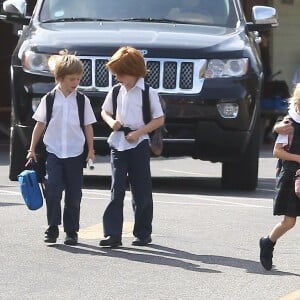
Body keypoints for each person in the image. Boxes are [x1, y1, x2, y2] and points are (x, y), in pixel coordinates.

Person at [26, 50, 96, 245]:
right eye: (72, 79)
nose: (76, 83)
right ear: (59, 78)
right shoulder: (49, 99)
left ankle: (71, 231)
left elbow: (88, 126)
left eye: (78, 79)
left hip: (75, 153)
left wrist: (91, 149)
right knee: (53, 189)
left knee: (74, 195)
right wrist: (31, 148)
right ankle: (52, 227)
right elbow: (39, 124)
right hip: (54, 152)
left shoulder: (82, 101)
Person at [99, 46, 164, 247]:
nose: (117, 77)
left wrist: (139, 133)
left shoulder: (148, 92)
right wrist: (111, 123)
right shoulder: (116, 91)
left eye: (121, 73)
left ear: (135, 71)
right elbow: (104, 111)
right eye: (115, 73)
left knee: (141, 189)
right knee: (116, 188)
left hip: (139, 144)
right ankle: (113, 234)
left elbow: (159, 118)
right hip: (118, 143)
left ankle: (143, 232)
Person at [259, 83, 300, 271]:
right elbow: (277, 152)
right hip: (292, 175)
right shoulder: (289, 123)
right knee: (289, 222)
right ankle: (268, 242)